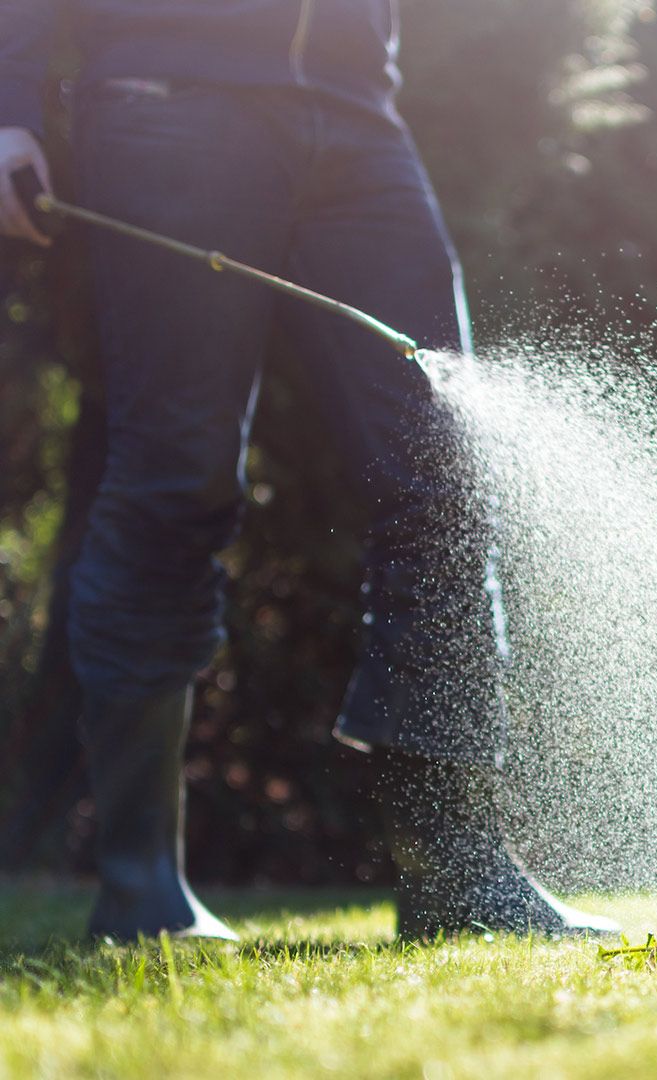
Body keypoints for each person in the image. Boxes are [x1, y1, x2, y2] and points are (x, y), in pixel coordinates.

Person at [0, 0, 617, 941]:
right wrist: (11, 104)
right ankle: (140, 891)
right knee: (176, 481)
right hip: (170, 99)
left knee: (448, 467)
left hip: (358, 108)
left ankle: (454, 873)